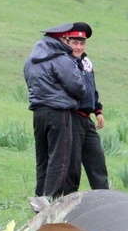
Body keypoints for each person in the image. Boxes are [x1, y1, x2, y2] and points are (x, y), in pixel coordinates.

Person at [24, 22, 87, 199]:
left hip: (38, 112)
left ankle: (39, 199)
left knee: (42, 159)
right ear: (61, 38)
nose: (70, 43)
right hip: (59, 113)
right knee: (59, 159)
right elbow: (78, 87)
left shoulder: (30, 59)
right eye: (68, 39)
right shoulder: (60, 59)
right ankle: (52, 200)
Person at [64, 22, 109, 191]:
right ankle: (69, 201)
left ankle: (104, 200)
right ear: (67, 42)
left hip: (87, 118)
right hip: (71, 116)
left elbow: (92, 89)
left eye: (82, 43)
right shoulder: (65, 62)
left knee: (97, 159)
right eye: (75, 43)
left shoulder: (87, 63)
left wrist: (98, 110)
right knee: (72, 164)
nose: (79, 47)